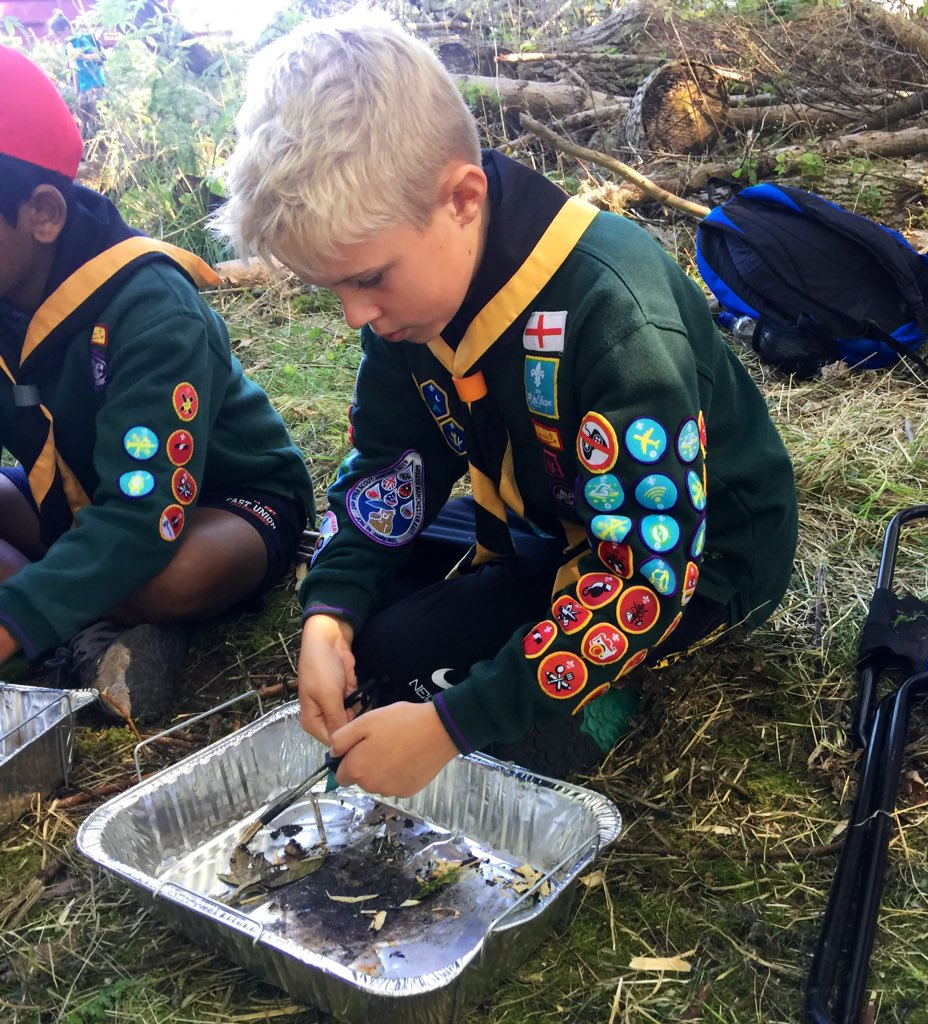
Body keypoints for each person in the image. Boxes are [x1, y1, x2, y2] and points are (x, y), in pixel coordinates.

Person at [215, 12, 798, 797]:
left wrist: (454, 724)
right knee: (383, 646)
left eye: (369, 279)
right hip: (553, 519)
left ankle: (591, 704)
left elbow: (645, 578)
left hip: (704, 559)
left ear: (462, 199)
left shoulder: (614, 316)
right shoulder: (412, 304)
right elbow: (390, 467)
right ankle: (510, 662)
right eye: (333, 289)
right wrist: (330, 614)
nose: (357, 316)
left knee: (478, 710)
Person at [0, 47, 315, 722]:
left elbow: (148, 519)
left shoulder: (148, 306)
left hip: (216, 503)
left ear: (43, 213)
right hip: (77, 501)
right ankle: (82, 629)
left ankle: (63, 618)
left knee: (175, 575)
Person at [46, 11, 106, 137]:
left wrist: (83, 56)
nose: (58, 39)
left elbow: (97, 58)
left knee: (89, 121)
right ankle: (95, 145)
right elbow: (76, 69)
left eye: (59, 35)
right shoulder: (77, 42)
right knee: (92, 120)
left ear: (66, 29)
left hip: (90, 87)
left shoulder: (75, 42)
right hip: (92, 86)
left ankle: (93, 146)